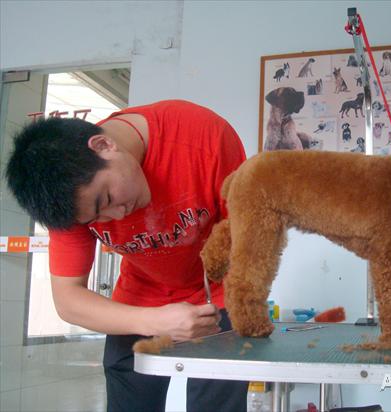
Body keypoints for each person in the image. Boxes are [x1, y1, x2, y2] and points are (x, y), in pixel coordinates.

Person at [6, 100, 249, 412]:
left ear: (105, 145)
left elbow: (246, 239)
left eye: (107, 198)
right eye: (96, 218)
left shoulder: (202, 136)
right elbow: (67, 298)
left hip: (216, 291)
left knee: (217, 399)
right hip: (139, 299)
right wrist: (153, 320)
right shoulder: (67, 199)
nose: (116, 215)